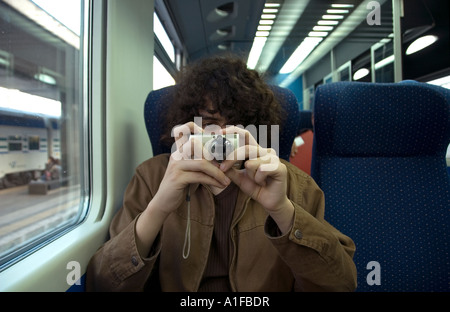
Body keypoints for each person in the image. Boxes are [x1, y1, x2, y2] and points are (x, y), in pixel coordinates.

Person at [86, 55, 357, 292]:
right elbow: (102, 284)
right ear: (187, 126)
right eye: (210, 125)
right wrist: (158, 207)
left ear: (255, 131)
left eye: (237, 127)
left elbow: (341, 284)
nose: (221, 140)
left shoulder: (293, 184)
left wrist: (282, 209)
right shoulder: (153, 177)